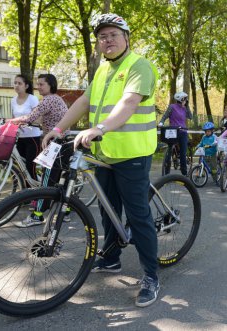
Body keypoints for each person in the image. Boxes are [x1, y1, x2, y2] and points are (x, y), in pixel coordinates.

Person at [41, 13, 160, 307]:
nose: (106, 41)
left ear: (126, 37)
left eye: (112, 35)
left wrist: (100, 128)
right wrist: (58, 129)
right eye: (102, 37)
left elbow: (129, 102)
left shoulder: (139, 66)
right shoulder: (102, 71)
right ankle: (111, 259)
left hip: (132, 152)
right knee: (108, 211)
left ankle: (151, 276)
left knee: (137, 215)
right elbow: (83, 102)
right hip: (103, 153)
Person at [11, 73, 71, 227]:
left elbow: (30, 117)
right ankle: (66, 211)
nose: (38, 87)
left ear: (51, 85)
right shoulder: (57, 99)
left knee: (47, 180)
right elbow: (48, 119)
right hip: (63, 143)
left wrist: (8, 121)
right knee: (60, 180)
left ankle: (37, 216)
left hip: (54, 144)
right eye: (37, 84)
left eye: (42, 84)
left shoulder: (49, 99)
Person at [11, 74, 40, 180]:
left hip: (32, 137)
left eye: (19, 83)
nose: (16, 85)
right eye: (15, 83)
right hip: (19, 137)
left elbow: (38, 118)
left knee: (30, 167)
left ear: (26, 86)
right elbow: (13, 118)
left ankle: (34, 194)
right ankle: (25, 194)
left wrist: (25, 121)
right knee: (21, 168)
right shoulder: (13, 100)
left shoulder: (32, 99)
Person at [158, 91, 192, 176]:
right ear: (182, 99)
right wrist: (161, 122)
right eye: (185, 99)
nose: (186, 100)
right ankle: (167, 172)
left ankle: (184, 173)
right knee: (169, 150)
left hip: (183, 131)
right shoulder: (172, 107)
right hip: (173, 131)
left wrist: (187, 106)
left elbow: (190, 117)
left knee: (183, 153)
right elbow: (165, 116)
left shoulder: (185, 108)